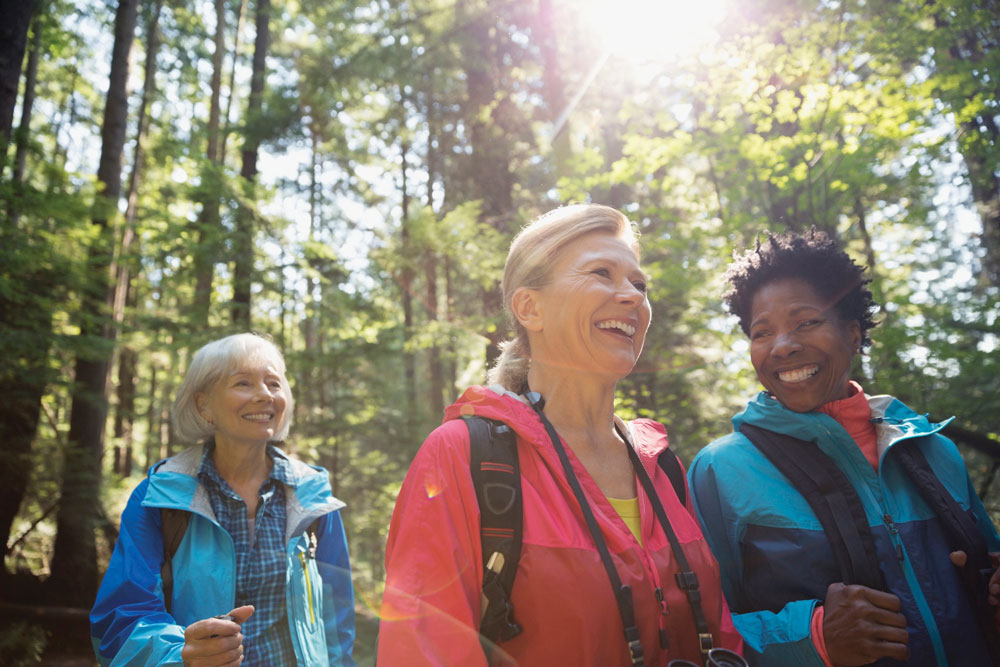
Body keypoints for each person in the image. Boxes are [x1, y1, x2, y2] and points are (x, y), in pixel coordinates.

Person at [377, 204, 743, 666]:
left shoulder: (662, 467)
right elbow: (423, 651)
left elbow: (724, 634)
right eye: (601, 273)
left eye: (639, 283)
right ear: (530, 307)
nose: (631, 295)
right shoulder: (463, 456)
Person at [687, 229, 1000, 666]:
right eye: (762, 332)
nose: (783, 346)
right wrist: (811, 640)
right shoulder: (721, 471)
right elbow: (703, 629)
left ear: (853, 334)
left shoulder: (936, 452)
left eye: (806, 322)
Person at [91, 333, 355, 666]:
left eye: (274, 384)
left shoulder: (312, 497)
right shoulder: (158, 499)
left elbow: (337, 623)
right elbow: (122, 616)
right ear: (204, 405)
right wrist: (180, 655)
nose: (264, 395)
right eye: (243, 383)